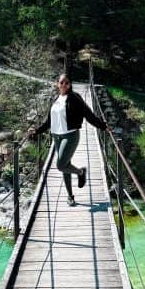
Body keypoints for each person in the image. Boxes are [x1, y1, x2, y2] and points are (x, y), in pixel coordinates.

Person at [29, 73, 108, 205]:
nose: (64, 85)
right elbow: (49, 121)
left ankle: (80, 172)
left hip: (70, 135)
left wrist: (103, 126)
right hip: (56, 136)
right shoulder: (56, 99)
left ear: (70, 84)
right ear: (57, 84)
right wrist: (36, 131)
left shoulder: (74, 98)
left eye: (67, 83)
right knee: (66, 165)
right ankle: (70, 196)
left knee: (60, 165)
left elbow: (88, 114)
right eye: (61, 83)